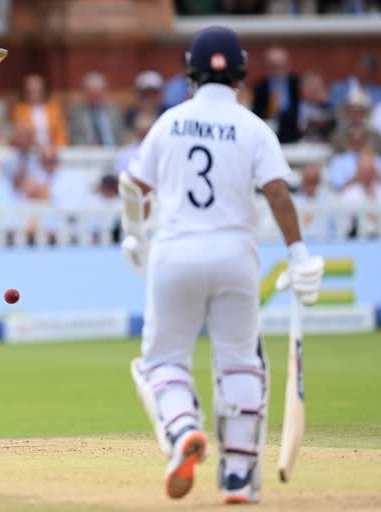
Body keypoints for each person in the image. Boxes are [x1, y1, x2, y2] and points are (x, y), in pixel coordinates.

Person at [120, 26, 324, 504]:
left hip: (175, 254)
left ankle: (184, 428)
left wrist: (135, 234)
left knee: (164, 361)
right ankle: (236, 475)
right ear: (241, 73)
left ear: (190, 70)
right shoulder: (253, 126)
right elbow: (277, 193)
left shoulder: (169, 122)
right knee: (239, 363)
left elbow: (132, 187)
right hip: (235, 256)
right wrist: (298, 254)